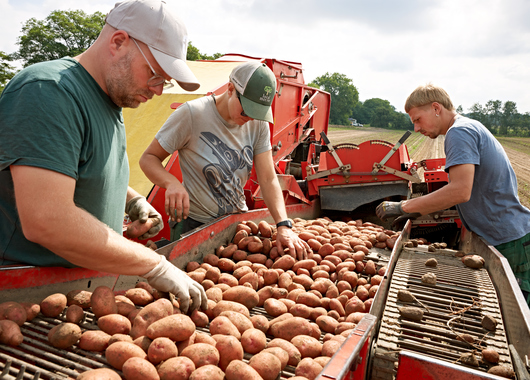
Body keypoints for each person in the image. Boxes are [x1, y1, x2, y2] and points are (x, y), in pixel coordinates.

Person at [0, 0, 207, 314]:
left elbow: (78, 168)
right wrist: (155, 265)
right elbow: (46, 219)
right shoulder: (48, 92)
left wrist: (132, 201)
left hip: (82, 292)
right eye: (155, 75)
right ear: (118, 42)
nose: (159, 90)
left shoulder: (111, 101)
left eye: (164, 81)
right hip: (27, 299)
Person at [376, 83, 530, 306]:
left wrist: (403, 207)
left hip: (510, 241)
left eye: (417, 119)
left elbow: (459, 191)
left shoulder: (459, 132)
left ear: (436, 108)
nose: (416, 128)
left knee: (520, 317)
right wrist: (417, 211)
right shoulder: (467, 127)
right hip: (508, 236)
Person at [140, 61, 310, 260]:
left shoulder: (258, 124)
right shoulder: (192, 114)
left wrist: (283, 224)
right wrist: (171, 183)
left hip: (235, 226)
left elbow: (268, 179)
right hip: (193, 225)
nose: (250, 118)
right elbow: (148, 158)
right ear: (231, 88)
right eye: (246, 109)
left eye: (257, 112)